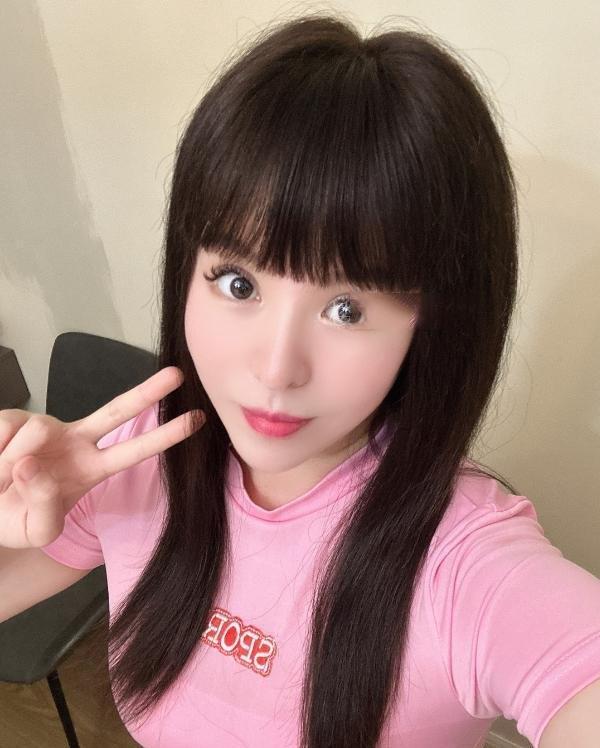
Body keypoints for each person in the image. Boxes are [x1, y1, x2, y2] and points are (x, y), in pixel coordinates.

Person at [1, 12, 599, 748]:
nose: (276, 368)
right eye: (238, 283)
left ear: (434, 322)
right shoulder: (145, 453)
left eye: (347, 308)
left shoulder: (467, 567)